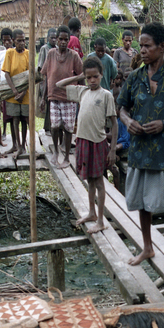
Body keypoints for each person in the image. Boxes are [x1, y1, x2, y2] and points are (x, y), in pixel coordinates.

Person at [118, 22, 164, 269]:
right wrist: (128, 121)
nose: (142, 50)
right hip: (139, 150)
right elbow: (122, 108)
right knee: (141, 202)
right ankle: (148, 247)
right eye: (141, 46)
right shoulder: (136, 77)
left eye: (147, 46)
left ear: (162, 47)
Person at [57, 56, 117, 233]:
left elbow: (114, 124)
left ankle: (100, 220)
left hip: (98, 143)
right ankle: (91, 212)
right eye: (88, 77)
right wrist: (78, 77)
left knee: (99, 181)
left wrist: (112, 149)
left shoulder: (106, 95)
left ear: (101, 75)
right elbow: (59, 85)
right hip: (82, 140)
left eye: (95, 77)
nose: (92, 80)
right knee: (89, 180)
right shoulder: (82, 91)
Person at [41, 24, 83, 169]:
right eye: (61, 39)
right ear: (57, 40)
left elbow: (81, 75)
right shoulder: (51, 53)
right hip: (53, 96)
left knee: (68, 128)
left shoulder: (74, 55)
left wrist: (81, 95)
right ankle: (56, 151)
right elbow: (47, 76)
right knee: (54, 125)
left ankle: (65, 156)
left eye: (66, 39)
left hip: (69, 97)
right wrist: (43, 97)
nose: (63, 42)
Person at [2, 29, 29, 158]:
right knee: (14, 119)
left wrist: (23, 93)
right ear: (14, 41)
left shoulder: (28, 54)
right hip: (12, 93)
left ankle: (23, 145)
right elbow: (7, 73)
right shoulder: (9, 53)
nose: (22, 43)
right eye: (19, 40)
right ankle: (16, 145)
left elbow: (31, 75)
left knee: (24, 120)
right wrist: (14, 91)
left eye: (23, 40)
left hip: (26, 94)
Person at [37, 28, 57, 135]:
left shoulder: (57, 49)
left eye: (55, 38)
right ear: (48, 38)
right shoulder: (45, 49)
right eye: (52, 38)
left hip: (55, 80)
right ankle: (47, 128)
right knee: (47, 103)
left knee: (53, 104)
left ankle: (51, 127)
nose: (54, 40)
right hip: (46, 79)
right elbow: (41, 67)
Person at [0, 28, 14, 142]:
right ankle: (4, 132)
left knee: (14, 111)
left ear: (12, 40)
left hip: (15, 84)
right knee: (4, 109)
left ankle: (15, 134)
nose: (6, 43)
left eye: (8, 40)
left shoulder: (15, 53)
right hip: (4, 85)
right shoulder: (0, 54)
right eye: (4, 41)